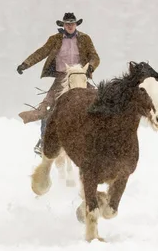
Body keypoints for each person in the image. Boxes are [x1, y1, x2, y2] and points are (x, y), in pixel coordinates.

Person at [16, 12, 100, 155]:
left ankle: (100, 141)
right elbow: (41, 52)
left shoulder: (85, 39)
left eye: (72, 23)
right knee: (46, 108)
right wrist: (25, 64)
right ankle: (43, 142)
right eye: (67, 24)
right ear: (63, 25)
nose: (70, 26)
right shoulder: (55, 39)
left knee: (99, 102)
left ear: (76, 25)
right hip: (62, 78)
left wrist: (91, 67)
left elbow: (94, 56)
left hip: (80, 75)